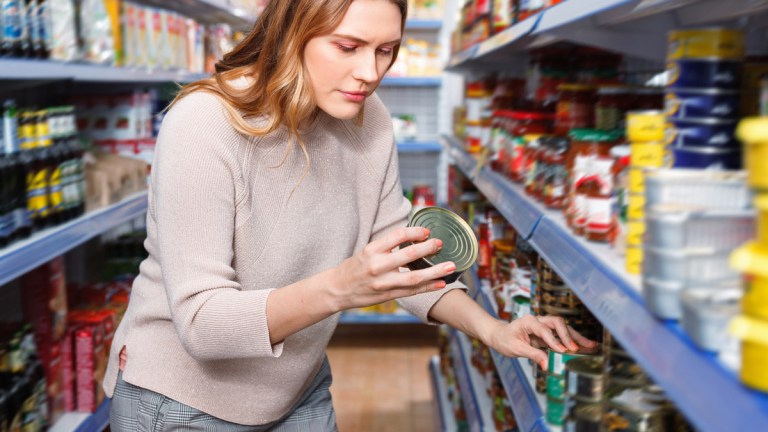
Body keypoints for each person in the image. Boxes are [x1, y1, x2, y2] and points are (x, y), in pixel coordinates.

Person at [104, 0, 597, 430]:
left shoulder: (368, 117)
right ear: (292, 32)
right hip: (183, 402)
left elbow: (400, 251)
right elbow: (202, 323)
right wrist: (344, 286)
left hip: (297, 387)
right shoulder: (205, 122)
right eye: (348, 46)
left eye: (386, 50)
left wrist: (493, 329)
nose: (370, 72)